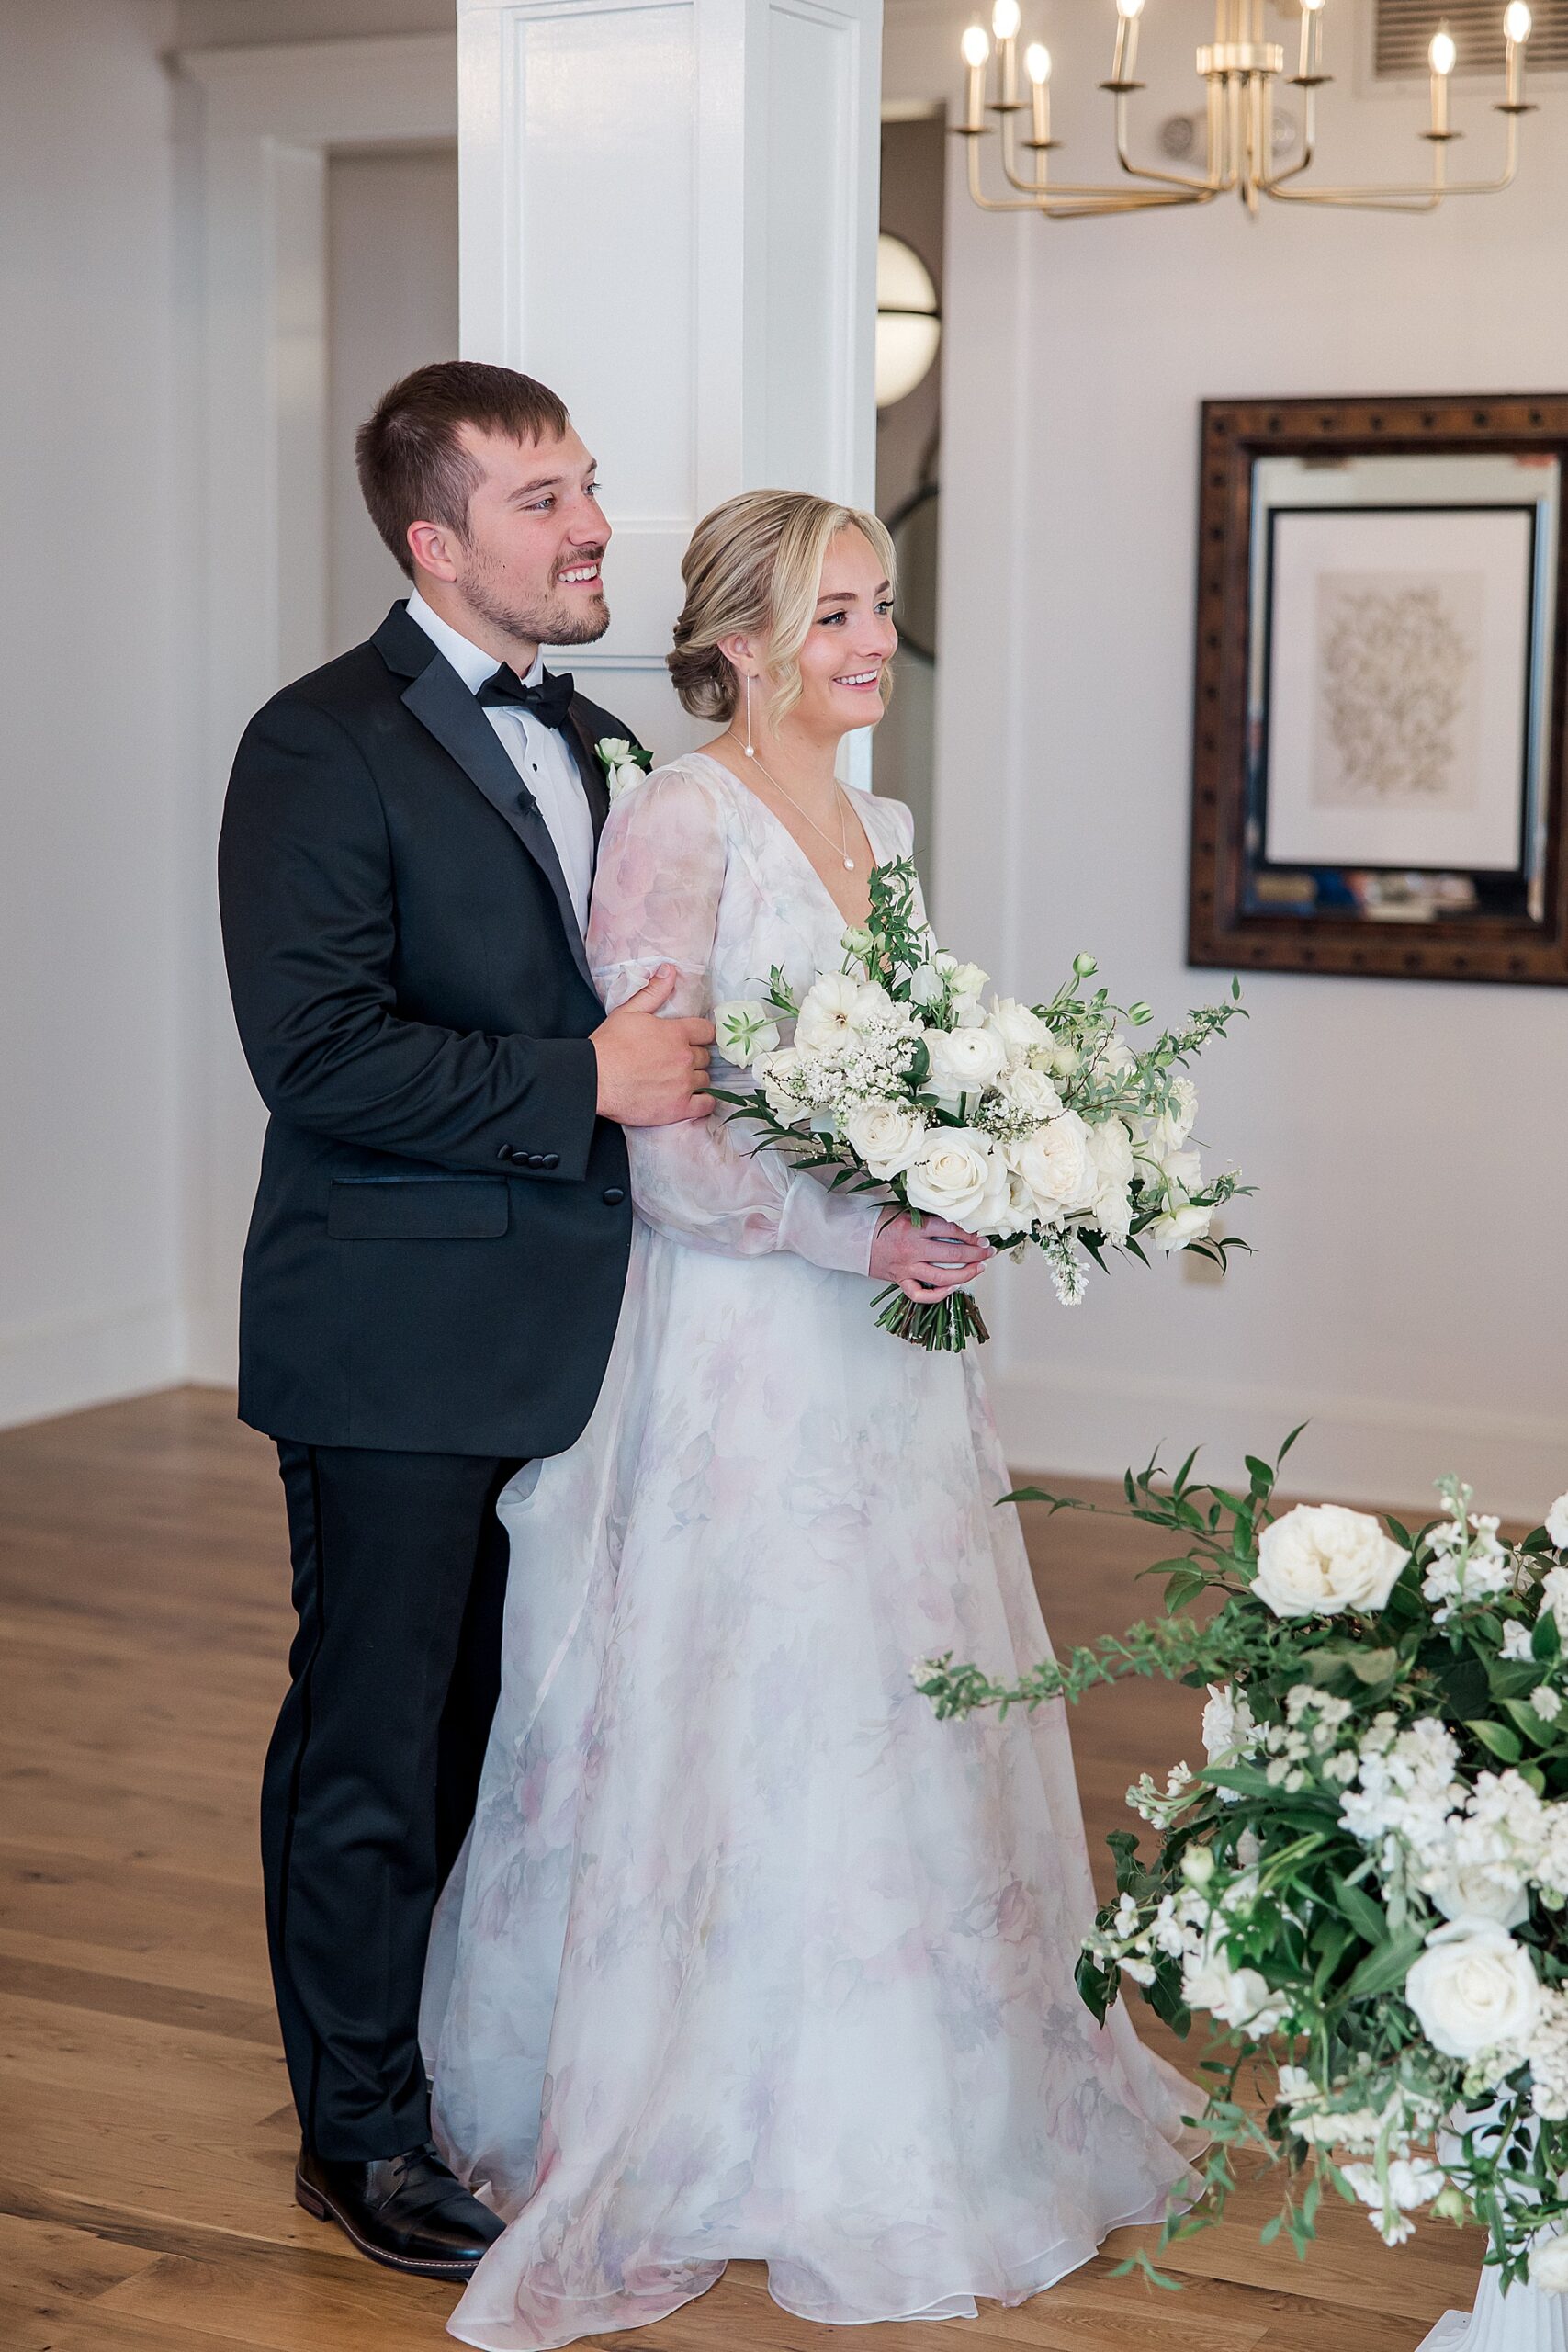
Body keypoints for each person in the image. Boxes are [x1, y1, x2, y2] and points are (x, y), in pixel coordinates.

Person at [423, 489, 1200, 2347]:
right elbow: (665, 1132)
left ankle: (920, 2079)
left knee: (895, 1695)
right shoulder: (674, 819)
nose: (874, 641)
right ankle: (715, 2107)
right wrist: (858, 1225)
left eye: (881, 606)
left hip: (886, 1359)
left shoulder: (887, 827)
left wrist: (975, 1183)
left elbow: (912, 1072)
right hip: (741, 1361)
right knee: (754, 1700)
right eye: (841, 611)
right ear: (749, 637)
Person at [218, 362, 715, 2281]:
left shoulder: (591, 736)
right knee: (379, 1735)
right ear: (433, 542)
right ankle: (356, 2138)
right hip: (393, 1338)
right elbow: (317, 1053)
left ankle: (459, 2066)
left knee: (517, 1734)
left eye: (586, 485)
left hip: (585, 1330)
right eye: (540, 502)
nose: (590, 526)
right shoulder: (315, 745)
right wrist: (577, 1082)